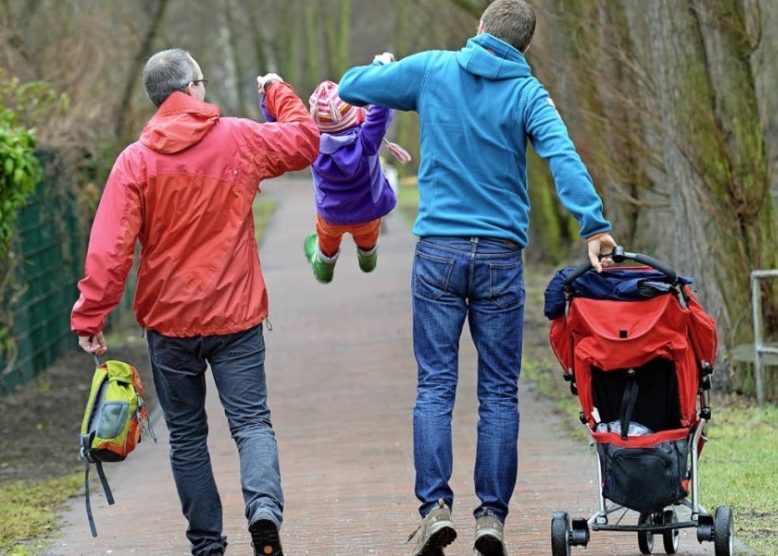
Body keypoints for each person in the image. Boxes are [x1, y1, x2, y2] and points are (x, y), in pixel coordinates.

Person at [337, 1, 617, 555]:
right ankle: (491, 517)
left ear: (481, 28)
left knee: (434, 386)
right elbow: (562, 156)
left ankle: (435, 508)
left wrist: (381, 66)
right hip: (498, 258)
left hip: (438, 253)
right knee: (498, 393)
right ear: (524, 47)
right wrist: (594, 225)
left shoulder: (432, 69)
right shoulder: (528, 93)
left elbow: (351, 86)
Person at [70, 48, 319, 556]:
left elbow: (111, 248)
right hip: (236, 315)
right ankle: (263, 510)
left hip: (169, 323)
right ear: (191, 88)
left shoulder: (135, 161)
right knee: (251, 424)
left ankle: (207, 545)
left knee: (186, 437)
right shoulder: (238, 138)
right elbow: (305, 141)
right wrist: (276, 90)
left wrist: (91, 314)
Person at [260, 79, 410, 283]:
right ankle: (367, 257)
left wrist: (269, 93)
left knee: (326, 241)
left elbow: (281, 126)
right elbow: (381, 110)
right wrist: (382, 69)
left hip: (331, 216)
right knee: (368, 236)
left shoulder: (310, 144)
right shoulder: (367, 139)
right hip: (368, 213)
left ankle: (324, 266)